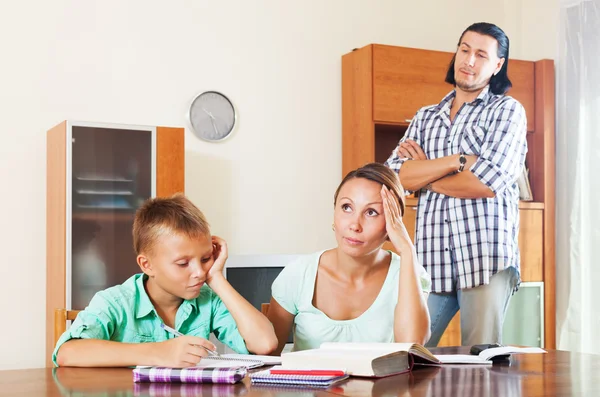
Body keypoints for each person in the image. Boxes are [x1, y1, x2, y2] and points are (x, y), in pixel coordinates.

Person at [385, 22, 526, 346]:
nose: (469, 60)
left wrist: (425, 176)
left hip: (484, 257)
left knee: (481, 362)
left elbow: (486, 182)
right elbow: (396, 176)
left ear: (497, 65)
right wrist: (455, 162)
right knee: (408, 353)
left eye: (481, 54)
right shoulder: (425, 117)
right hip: (431, 260)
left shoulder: (506, 112)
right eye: (464, 49)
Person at [54, 194, 277, 367]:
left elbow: (265, 344)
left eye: (206, 258)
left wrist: (216, 277)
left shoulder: (208, 299)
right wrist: (159, 352)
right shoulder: (115, 302)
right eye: (183, 264)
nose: (199, 272)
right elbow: (67, 352)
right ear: (147, 265)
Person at [267, 162, 431, 354]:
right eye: (346, 207)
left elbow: (412, 347)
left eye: (371, 212)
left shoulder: (408, 273)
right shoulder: (298, 274)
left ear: (392, 223)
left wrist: (407, 251)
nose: (355, 225)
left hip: (386, 385)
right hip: (310, 384)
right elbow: (267, 357)